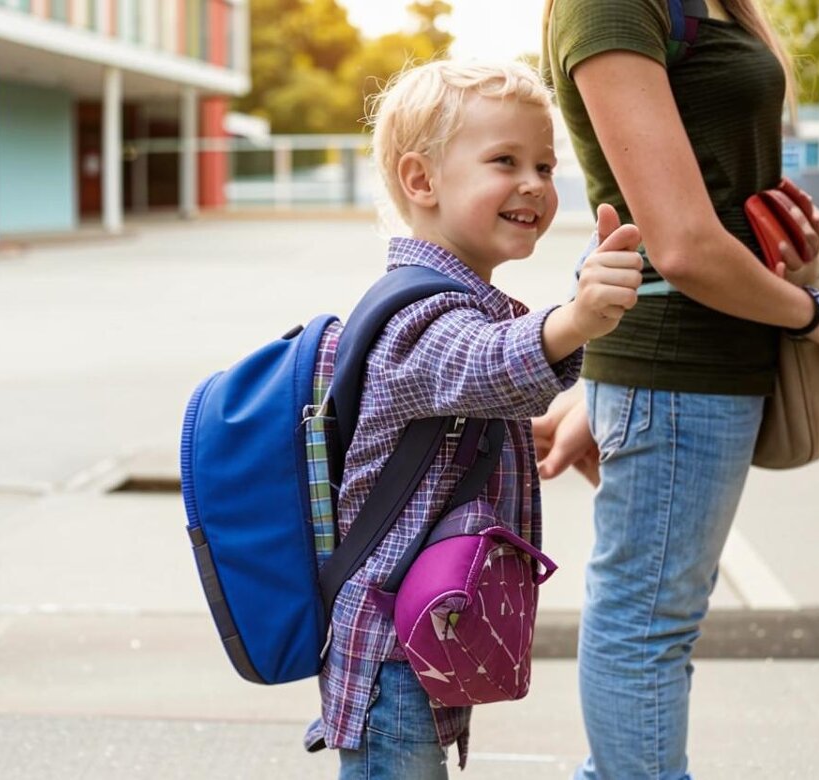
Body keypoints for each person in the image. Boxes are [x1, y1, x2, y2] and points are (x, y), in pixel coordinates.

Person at [537, 1, 819, 778]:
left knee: (655, 619)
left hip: (700, 367)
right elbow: (676, 242)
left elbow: (687, 188)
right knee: (647, 623)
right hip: (678, 363)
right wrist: (818, 317)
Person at [302, 58, 644, 779]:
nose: (534, 184)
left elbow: (460, 398)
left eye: (546, 165)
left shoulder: (445, 303)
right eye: (505, 160)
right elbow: (483, 362)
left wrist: (525, 433)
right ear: (421, 180)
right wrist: (577, 318)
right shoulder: (418, 313)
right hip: (390, 655)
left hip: (416, 643)